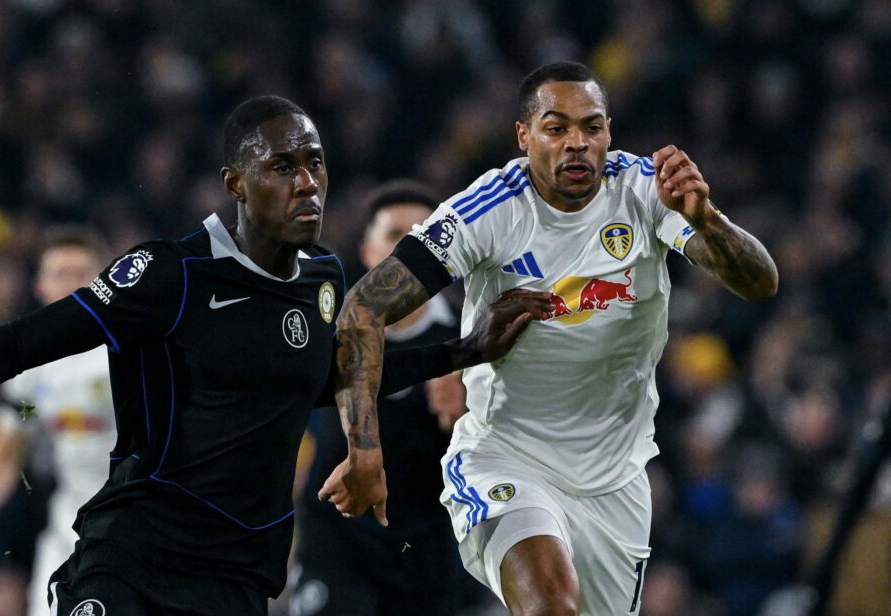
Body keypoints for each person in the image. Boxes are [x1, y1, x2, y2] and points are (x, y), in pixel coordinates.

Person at [0, 96, 556, 615]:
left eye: (314, 163)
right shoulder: (172, 274)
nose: (307, 183)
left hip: (237, 578)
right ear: (235, 183)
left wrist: (464, 350)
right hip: (135, 560)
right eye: (282, 166)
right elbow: (22, 343)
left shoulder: (322, 279)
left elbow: (328, 376)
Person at [319, 62, 779, 615]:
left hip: (614, 481)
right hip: (506, 459)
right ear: (524, 135)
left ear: (608, 132)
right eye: (556, 128)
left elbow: (760, 283)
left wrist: (708, 222)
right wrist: (364, 451)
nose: (576, 143)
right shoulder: (490, 209)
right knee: (551, 607)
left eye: (592, 127)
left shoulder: (646, 189)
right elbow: (362, 309)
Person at [291, 180, 479, 616]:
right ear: (366, 250)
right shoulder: (321, 331)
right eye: (395, 236)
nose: (407, 252)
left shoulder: (472, 340)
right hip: (336, 547)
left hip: (425, 551)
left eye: (422, 237)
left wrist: (465, 422)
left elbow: (505, 466)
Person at [0, 226, 114, 616]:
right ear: (40, 285)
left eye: (82, 273)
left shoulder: (137, 352)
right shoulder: (33, 372)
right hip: (73, 525)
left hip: (145, 524)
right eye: (60, 273)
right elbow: (8, 448)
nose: (72, 284)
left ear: (106, 282)